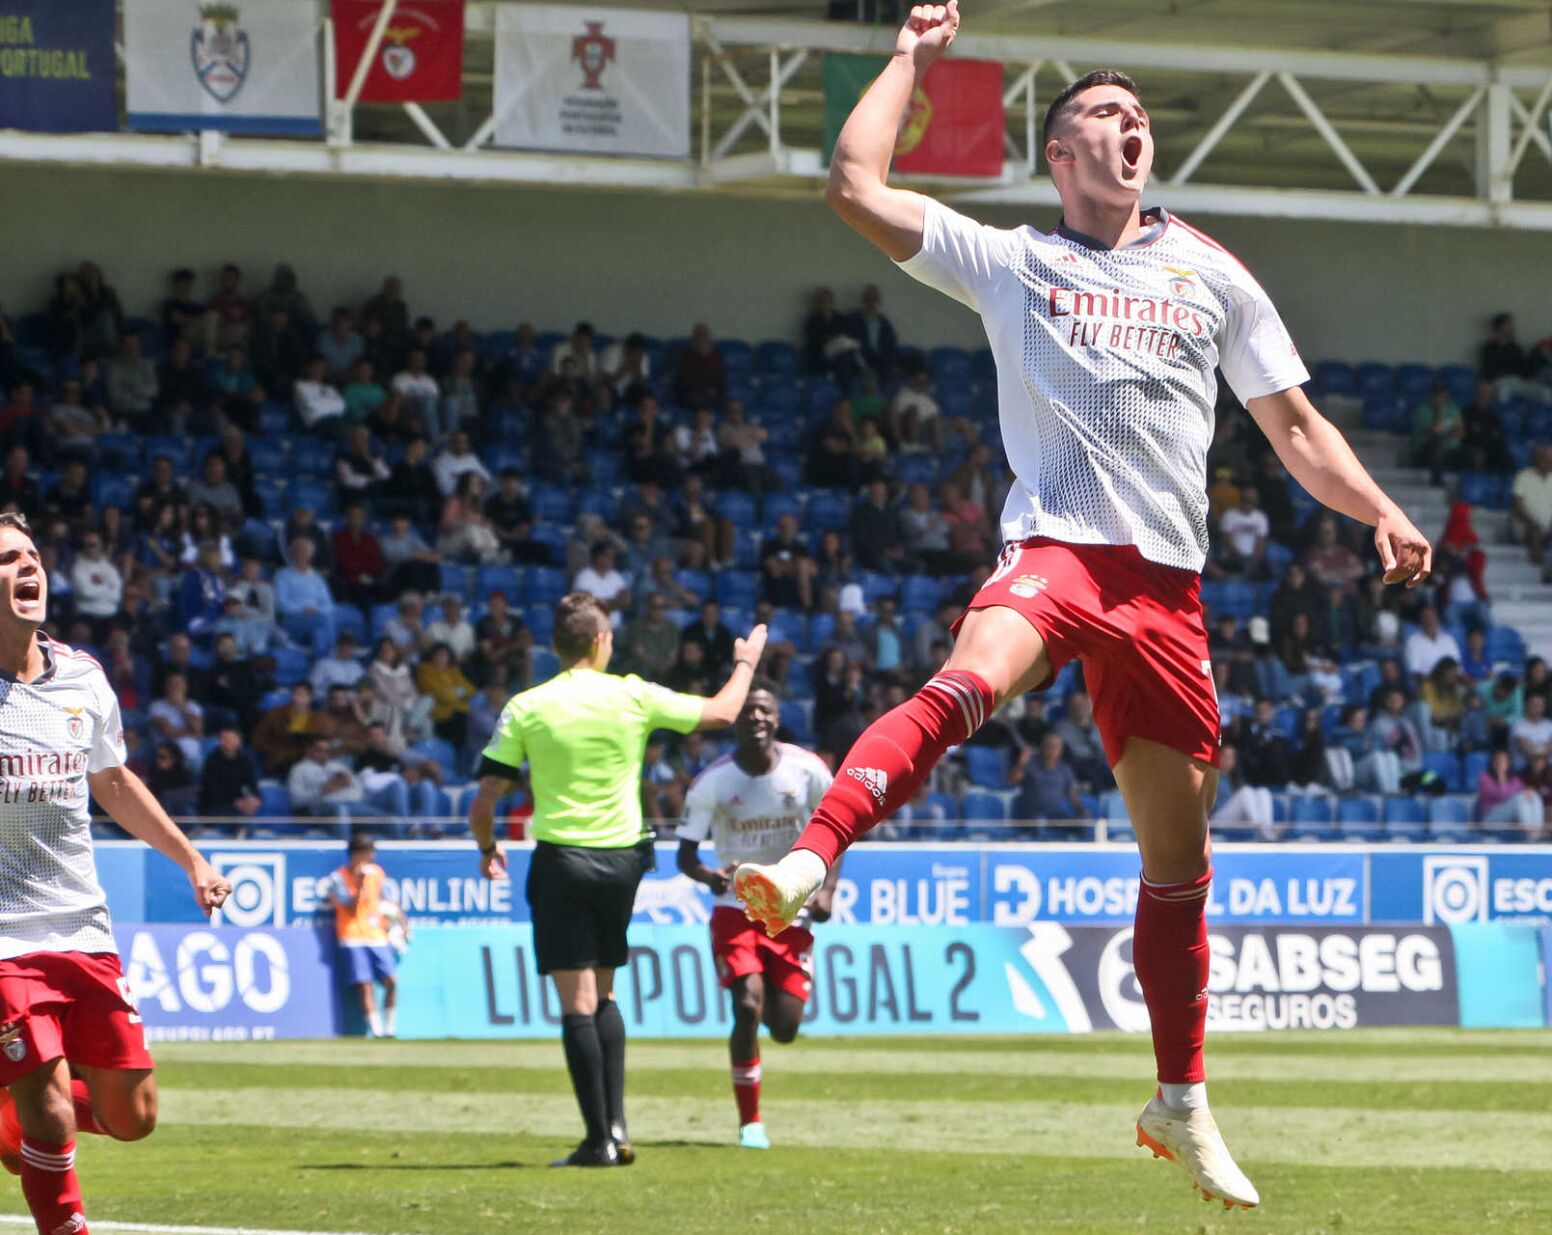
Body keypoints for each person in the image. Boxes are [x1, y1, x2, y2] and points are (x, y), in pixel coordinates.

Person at [731, 14, 1431, 1211]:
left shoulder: (1210, 272)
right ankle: (813, 851)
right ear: (1059, 155)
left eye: (1138, 117)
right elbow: (852, 183)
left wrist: (1379, 508)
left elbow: (1297, 430)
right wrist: (908, 56)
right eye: (1105, 116)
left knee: (1179, 869)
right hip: (1059, 549)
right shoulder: (1013, 262)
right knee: (967, 682)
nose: (1131, 126)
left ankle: (1182, 1101)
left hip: (1166, 591)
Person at [470, 593, 767, 1168]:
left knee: (576, 1002)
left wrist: (487, 848)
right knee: (605, 992)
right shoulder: (633, 694)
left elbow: (484, 800)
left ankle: (596, 1140)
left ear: (556, 647)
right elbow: (724, 713)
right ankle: (617, 1126)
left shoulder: (527, 706)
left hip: (564, 860)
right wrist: (746, 662)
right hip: (625, 861)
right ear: (602, 642)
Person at [0, 512, 232, 1235]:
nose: (26, 566)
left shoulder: (83, 677)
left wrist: (191, 858)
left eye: (32, 554)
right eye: (7, 558)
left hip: (83, 925)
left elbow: (115, 782)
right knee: (49, 1103)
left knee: (135, 1116)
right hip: (4, 939)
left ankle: (10, 1119)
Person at [675, 688, 838, 1150]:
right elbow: (685, 855)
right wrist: (710, 877)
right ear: (736, 721)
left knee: (784, 1028)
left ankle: (767, 997)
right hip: (735, 908)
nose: (756, 716)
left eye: (765, 709)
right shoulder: (712, 782)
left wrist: (827, 889)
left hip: (791, 907)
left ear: (778, 718)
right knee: (746, 1006)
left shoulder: (807, 771)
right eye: (748, 710)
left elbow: (839, 832)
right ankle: (751, 1122)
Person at [325, 835, 399, 1038]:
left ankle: (390, 1029)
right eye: (368, 852)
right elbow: (348, 906)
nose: (372, 857)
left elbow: (389, 901)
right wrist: (358, 884)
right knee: (365, 985)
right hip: (352, 936)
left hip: (376, 936)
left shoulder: (376, 873)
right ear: (357, 854)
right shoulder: (338, 878)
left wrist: (400, 922)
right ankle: (376, 1031)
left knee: (391, 981)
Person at [1509, 445, 1552, 568]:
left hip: (1550, 526)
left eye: (1551, 460)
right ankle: (1537, 571)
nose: (1548, 463)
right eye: (1544, 459)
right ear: (1536, 460)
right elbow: (1516, 507)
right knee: (1536, 532)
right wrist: (1533, 523)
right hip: (1524, 523)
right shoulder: (1523, 476)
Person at [1475, 747, 1542, 839]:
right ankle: (1529, 832)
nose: (1501, 763)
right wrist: (1500, 774)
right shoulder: (1485, 778)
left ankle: (1536, 831)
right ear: (1493, 762)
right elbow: (1501, 795)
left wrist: (1529, 792)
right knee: (1519, 798)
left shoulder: (1515, 780)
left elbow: (1525, 795)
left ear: (1508, 763)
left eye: (1504, 760)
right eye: (1498, 760)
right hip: (1490, 819)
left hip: (1508, 820)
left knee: (1534, 796)